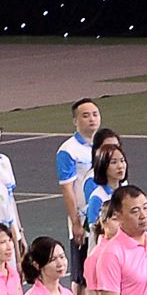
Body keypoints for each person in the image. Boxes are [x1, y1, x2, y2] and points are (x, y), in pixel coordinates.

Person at [55, 98, 103, 240]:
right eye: (86, 115)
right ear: (75, 121)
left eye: (95, 114)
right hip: (84, 220)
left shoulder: (106, 145)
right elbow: (67, 189)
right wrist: (76, 223)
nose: (92, 119)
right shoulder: (68, 150)